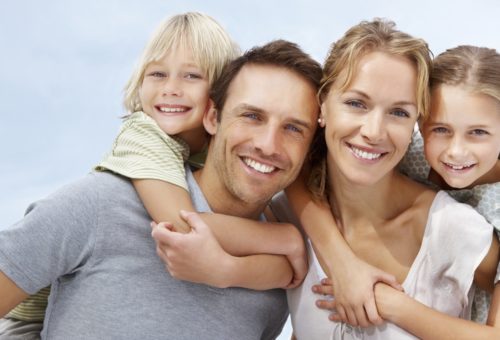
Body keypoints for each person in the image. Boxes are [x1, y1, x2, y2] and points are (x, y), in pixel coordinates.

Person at [0, 39, 321, 339]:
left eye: (293, 128)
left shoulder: (279, 278)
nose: (268, 145)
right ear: (212, 117)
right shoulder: (101, 204)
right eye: (251, 116)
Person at [269, 19, 499, 339]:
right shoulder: (282, 216)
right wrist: (340, 259)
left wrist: (390, 303)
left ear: (412, 125)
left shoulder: (457, 228)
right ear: (321, 105)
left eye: (399, 112)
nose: (374, 132)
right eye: (356, 103)